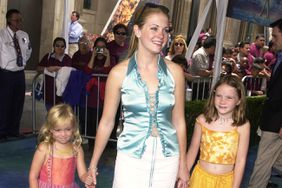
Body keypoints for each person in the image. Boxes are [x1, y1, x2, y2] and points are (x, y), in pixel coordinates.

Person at [87, 3, 188, 188]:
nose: (161, 36)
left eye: (165, 30)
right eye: (154, 28)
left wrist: (184, 165)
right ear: (138, 30)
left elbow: (179, 121)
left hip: (168, 160)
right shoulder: (119, 73)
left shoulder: (175, 73)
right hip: (130, 158)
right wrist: (93, 164)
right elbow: (107, 121)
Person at [186, 75, 250, 188]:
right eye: (218, 95)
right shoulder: (202, 120)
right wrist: (184, 174)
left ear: (239, 100)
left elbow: (241, 160)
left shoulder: (242, 126)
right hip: (200, 179)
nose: (222, 101)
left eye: (229, 97)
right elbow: (192, 150)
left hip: (226, 182)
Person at [248, 18, 282, 188]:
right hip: (272, 120)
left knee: (261, 165)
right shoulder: (279, 57)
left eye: (275, 36)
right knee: (274, 161)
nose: (272, 40)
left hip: (277, 123)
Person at [29, 104, 93, 187]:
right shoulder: (44, 148)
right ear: (51, 129)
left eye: (68, 129)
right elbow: (33, 176)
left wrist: (87, 178)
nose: (63, 134)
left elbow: (82, 174)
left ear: (73, 128)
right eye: (58, 130)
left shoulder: (77, 149)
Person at [0, 9, 32, 140]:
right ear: (9, 20)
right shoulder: (1, 35)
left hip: (19, 73)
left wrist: (22, 62)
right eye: (16, 20)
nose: (19, 22)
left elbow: (28, 51)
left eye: (20, 19)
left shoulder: (24, 35)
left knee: (18, 102)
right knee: (4, 103)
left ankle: (14, 130)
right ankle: (2, 131)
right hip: (6, 74)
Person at [37, 37, 72, 111]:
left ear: (65, 47)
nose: (60, 48)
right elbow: (38, 68)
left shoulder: (68, 59)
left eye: (62, 46)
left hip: (63, 95)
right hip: (48, 93)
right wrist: (48, 69)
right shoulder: (48, 57)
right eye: (57, 45)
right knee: (51, 116)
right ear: (54, 46)